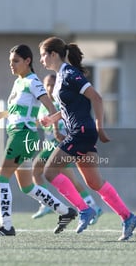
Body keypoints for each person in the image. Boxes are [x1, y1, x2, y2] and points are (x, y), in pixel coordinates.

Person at [38, 36, 136, 241]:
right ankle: (128, 217)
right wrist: (52, 118)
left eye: (42, 55)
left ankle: (84, 210)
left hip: (82, 132)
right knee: (94, 182)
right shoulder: (60, 77)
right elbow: (70, 108)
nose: (41, 60)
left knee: (49, 171)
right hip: (81, 132)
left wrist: (100, 127)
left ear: (54, 54)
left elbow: (97, 97)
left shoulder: (69, 73)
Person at [0, 44, 77, 237]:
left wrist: (55, 128)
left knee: (0, 178)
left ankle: (7, 226)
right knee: (27, 186)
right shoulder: (19, 82)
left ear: (28, 61)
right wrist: (2, 114)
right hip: (21, 134)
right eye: (10, 62)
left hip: (22, 135)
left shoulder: (33, 81)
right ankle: (65, 211)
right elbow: (19, 109)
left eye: (16, 61)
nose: (12, 65)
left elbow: (50, 106)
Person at [31, 74, 103, 225]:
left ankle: (46, 203)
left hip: (59, 145)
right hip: (57, 146)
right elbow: (41, 121)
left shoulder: (59, 103)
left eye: (52, 84)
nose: (50, 88)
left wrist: (57, 130)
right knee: (72, 179)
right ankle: (93, 206)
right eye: (47, 85)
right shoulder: (43, 106)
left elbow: (59, 117)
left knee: (36, 168)